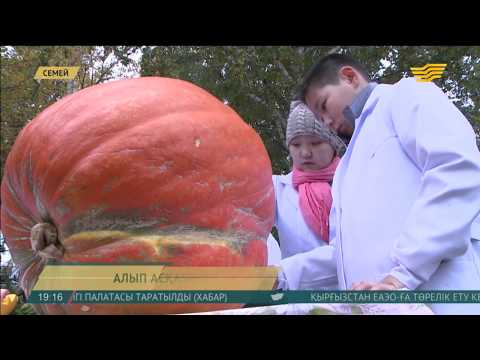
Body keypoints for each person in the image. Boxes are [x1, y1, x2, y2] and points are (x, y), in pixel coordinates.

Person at [288, 53, 480, 314]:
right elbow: (342, 255)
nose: (326, 122)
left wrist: (402, 276)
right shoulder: (346, 166)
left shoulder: (406, 95)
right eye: (319, 117)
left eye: (324, 105)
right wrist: (282, 275)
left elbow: (455, 169)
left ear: (350, 77)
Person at [267, 101, 345, 290]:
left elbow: (345, 251)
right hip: (298, 301)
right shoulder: (276, 188)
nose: (305, 152)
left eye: (316, 142)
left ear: (333, 143)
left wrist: (283, 273)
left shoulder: (354, 182)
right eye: (295, 144)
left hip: (354, 294)